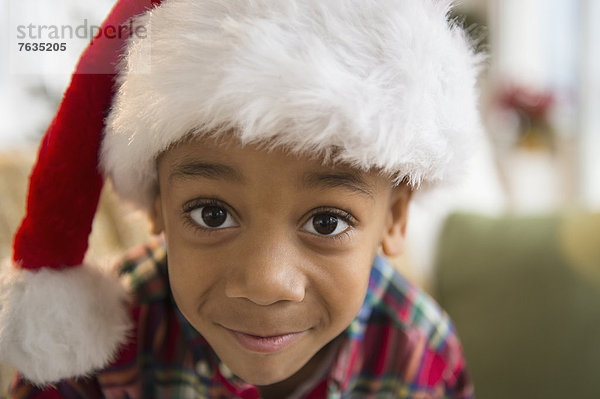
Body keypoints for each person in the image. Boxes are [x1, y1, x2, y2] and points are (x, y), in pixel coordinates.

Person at [0, 0, 482, 397]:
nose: (266, 282)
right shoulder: (89, 356)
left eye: (327, 222)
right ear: (156, 204)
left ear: (395, 217)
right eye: (212, 214)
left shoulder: (417, 353)